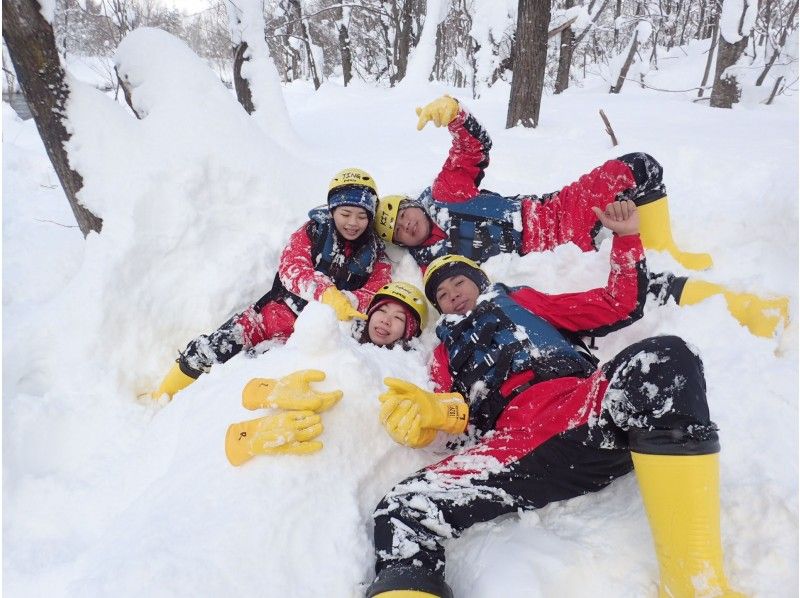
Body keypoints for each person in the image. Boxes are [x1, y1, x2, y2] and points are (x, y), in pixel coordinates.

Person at [367, 201, 742, 598]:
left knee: (666, 359)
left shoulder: (524, 301)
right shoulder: (443, 354)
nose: (453, 295)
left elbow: (618, 303)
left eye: (458, 283)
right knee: (402, 508)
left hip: (586, 409)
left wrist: (627, 238)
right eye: (442, 294)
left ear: (478, 280)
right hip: (516, 446)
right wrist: (430, 415)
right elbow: (453, 412)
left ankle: (697, 586)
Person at [374, 95, 788, 338]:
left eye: (401, 212)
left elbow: (473, 147)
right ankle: (750, 309)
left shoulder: (447, 191)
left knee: (638, 166)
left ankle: (661, 246)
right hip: (541, 262)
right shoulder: (432, 266)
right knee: (639, 289)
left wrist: (455, 116)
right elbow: (380, 289)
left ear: (413, 203)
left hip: (553, 213)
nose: (404, 224)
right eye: (395, 229)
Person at [150, 168, 392, 401]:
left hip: (303, 339)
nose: (353, 222)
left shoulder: (374, 255)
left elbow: (378, 292)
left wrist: (349, 301)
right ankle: (162, 395)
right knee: (211, 350)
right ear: (332, 209)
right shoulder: (314, 232)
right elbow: (291, 267)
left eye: (362, 216)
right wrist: (325, 292)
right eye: (346, 213)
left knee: (246, 379)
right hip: (264, 318)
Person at [223, 281, 429, 466]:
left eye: (398, 318)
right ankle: (250, 424)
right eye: (382, 310)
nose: (386, 320)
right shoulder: (343, 332)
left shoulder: (402, 367)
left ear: (408, 332)